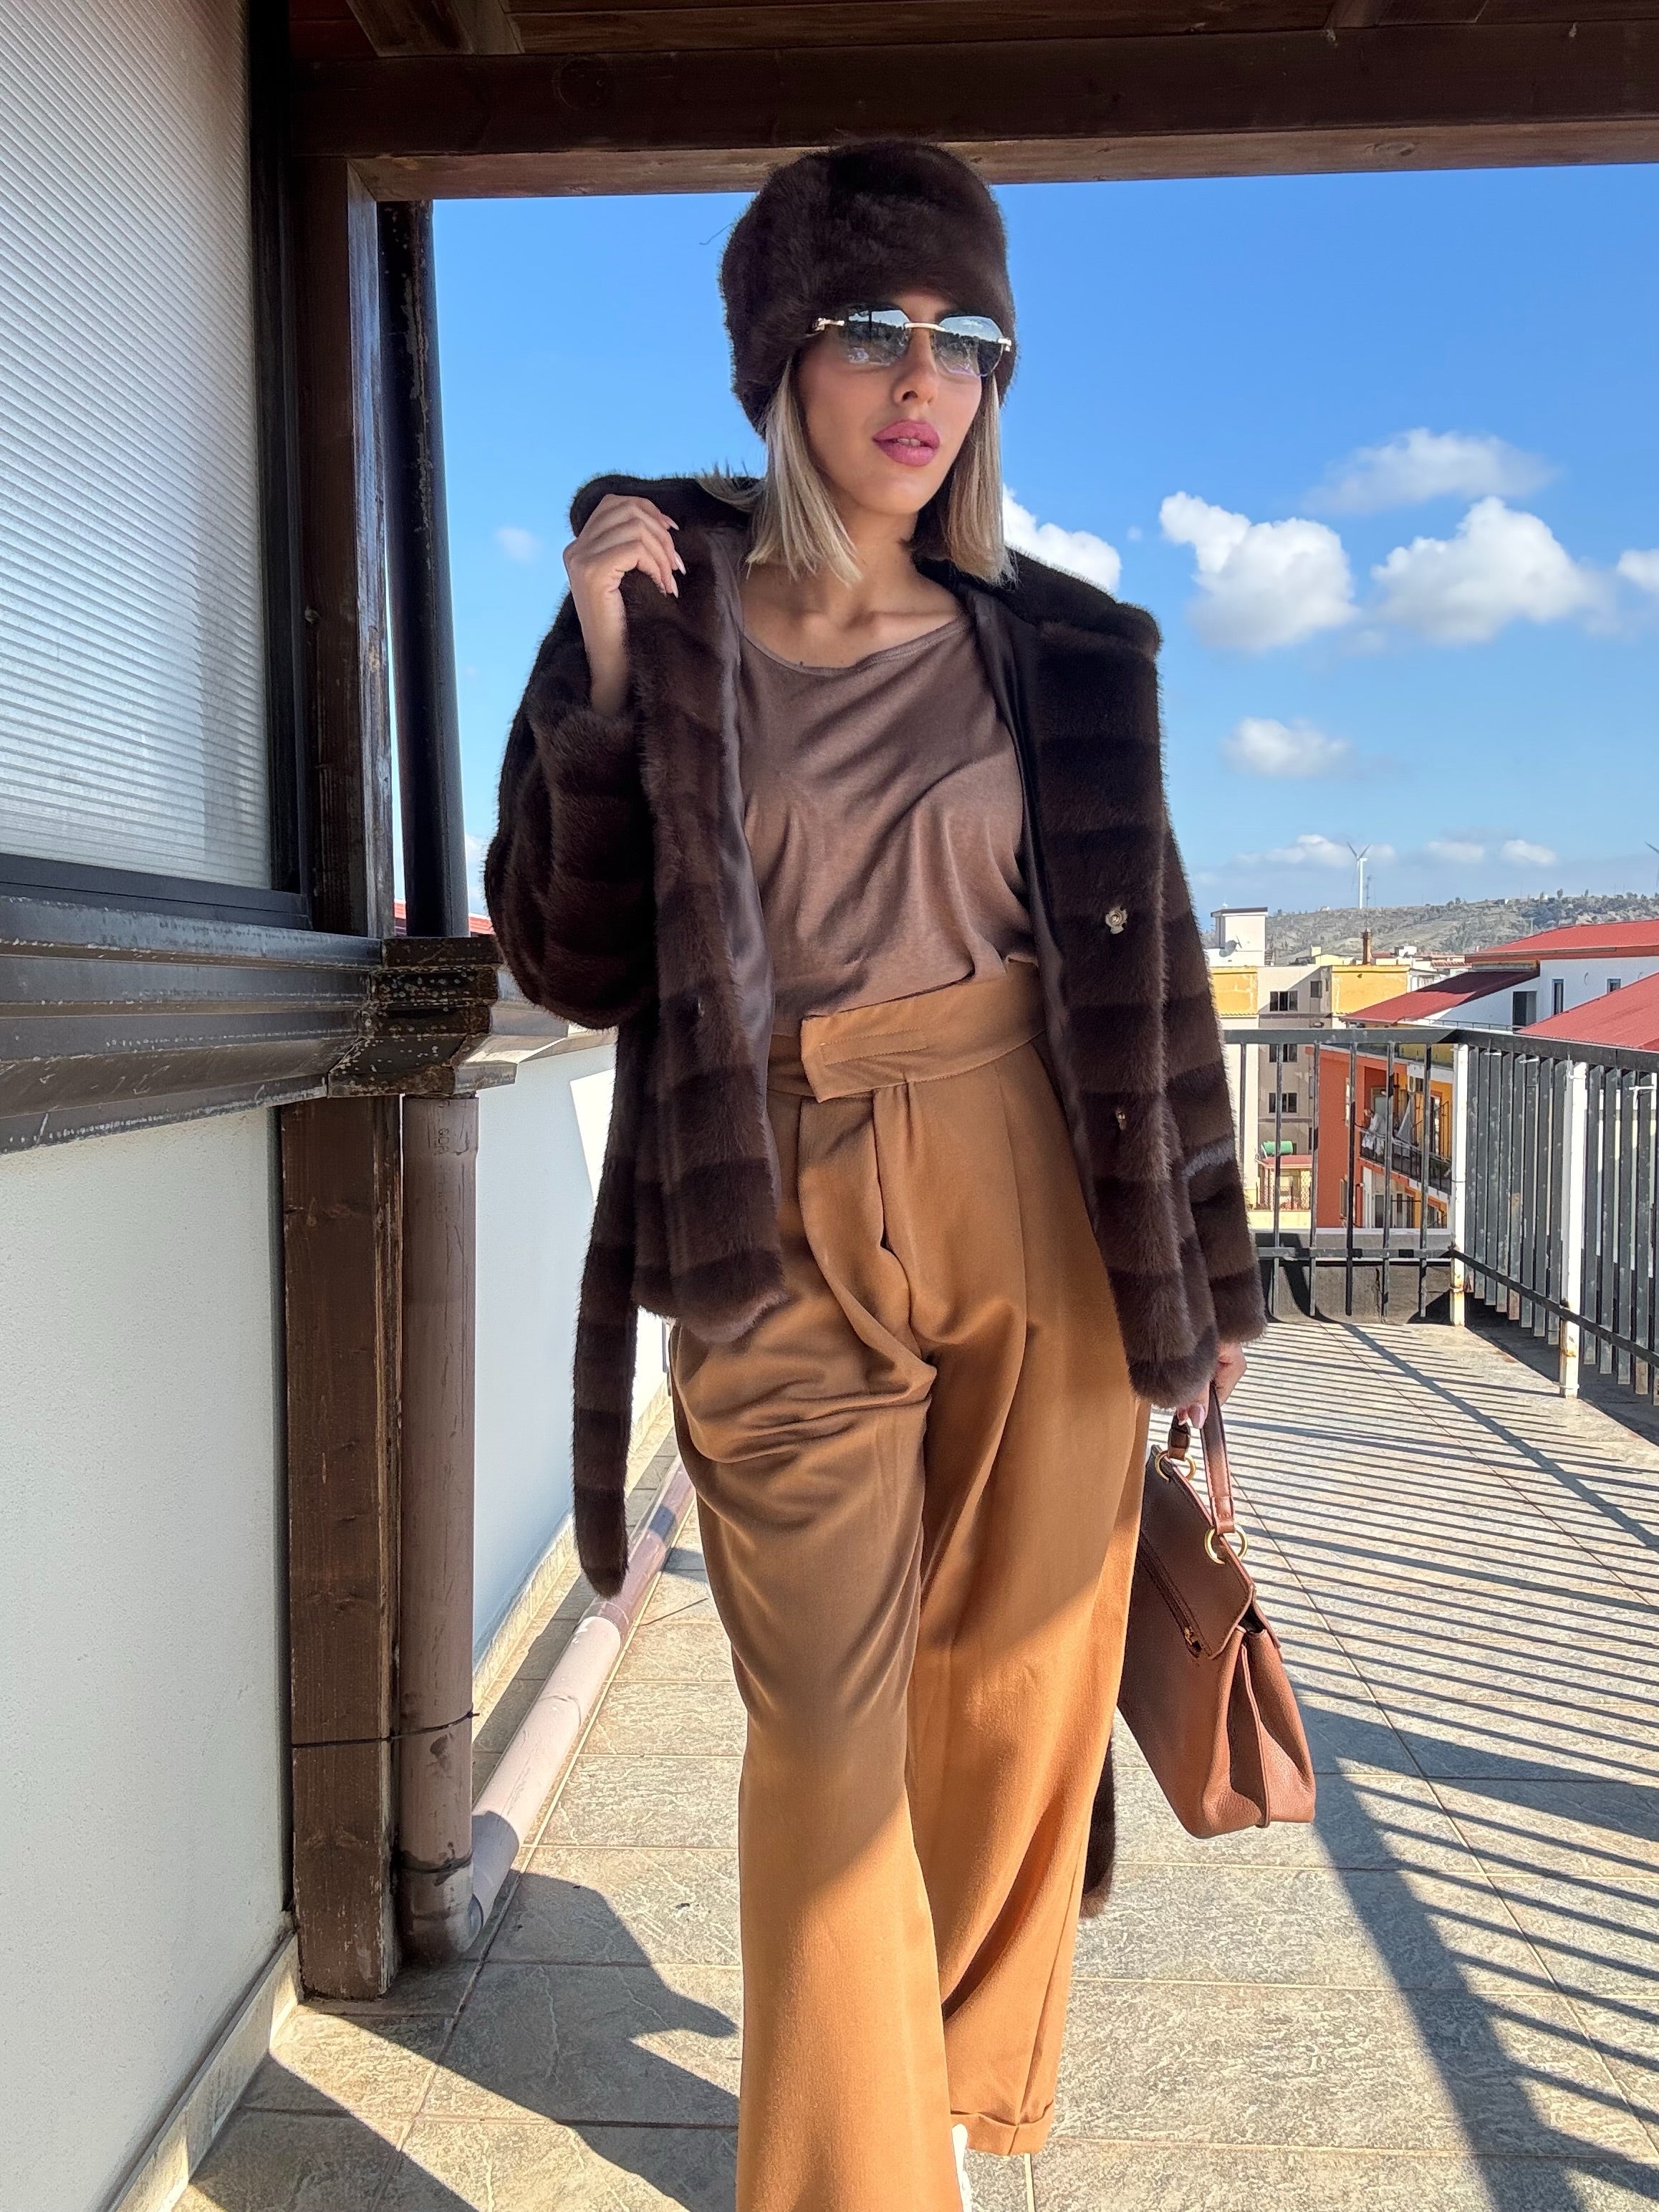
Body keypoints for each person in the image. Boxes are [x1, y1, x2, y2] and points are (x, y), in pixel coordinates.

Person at [486, 140, 1264, 2212]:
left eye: (965, 339)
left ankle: (937, 2113)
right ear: (780, 360)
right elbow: (564, 959)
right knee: (827, 1742)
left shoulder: (1056, 653)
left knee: (1015, 1696)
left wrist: (1207, 1291)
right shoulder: (664, 624)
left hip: (1038, 1179)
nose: (925, 382)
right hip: (770, 1193)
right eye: (872, 331)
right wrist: (603, 685)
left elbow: (1157, 973)